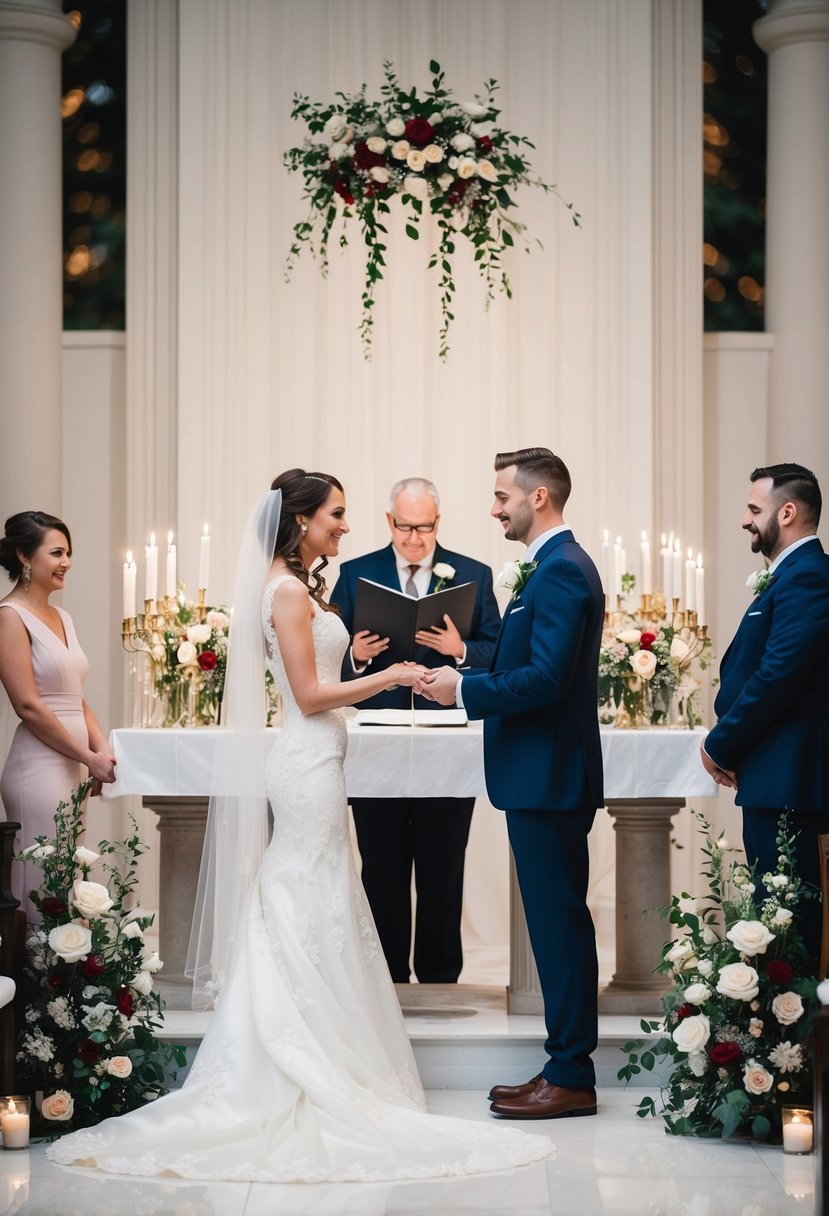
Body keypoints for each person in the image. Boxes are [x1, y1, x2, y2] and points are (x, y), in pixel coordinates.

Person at [47, 469, 551, 1180]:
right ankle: (288, 1050)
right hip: (307, 758)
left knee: (316, 892)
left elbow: (315, 673)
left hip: (320, 759)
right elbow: (310, 696)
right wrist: (391, 675)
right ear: (301, 520)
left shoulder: (301, 588)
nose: (345, 527)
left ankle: (312, 1037)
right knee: (303, 887)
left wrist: (367, 663)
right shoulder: (285, 591)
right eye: (336, 515)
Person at [419, 448, 604, 1119]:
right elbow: (526, 656)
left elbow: (549, 679)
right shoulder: (550, 569)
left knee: (558, 928)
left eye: (502, 496)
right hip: (538, 775)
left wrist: (464, 690)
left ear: (539, 499)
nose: (494, 507)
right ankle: (560, 1064)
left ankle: (571, 1075)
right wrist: (467, 656)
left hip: (548, 776)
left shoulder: (560, 572)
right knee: (554, 926)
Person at [331, 477, 500, 983]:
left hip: (445, 742)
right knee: (380, 868)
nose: (413, 538)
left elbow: (500, 652)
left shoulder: (473, 573)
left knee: (443, 868)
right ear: (389, 522)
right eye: (404, 527)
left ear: (437, 523)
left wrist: (461, 650)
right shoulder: (356, 574)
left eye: (423, 527)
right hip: (376, 740)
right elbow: (322, 661)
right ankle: (384, 982)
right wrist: (354, 657)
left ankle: (440, 977)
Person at [701, 463, 829, 968]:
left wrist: (720, 743)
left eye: (755, 509)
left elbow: (778, 677)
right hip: (773, 775)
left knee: (789, 929)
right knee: (772, 919)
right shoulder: (790, 577)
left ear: (789, 512)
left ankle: (797, 1044)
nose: (746, 521)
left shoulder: (809, 578)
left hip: (791, 781)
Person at [0, 511, 116, 917]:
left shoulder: (63, 616)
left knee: (68, 873)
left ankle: (62, 973)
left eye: (69, 552)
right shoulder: (10, 617)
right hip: (39, 764)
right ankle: (32, 973)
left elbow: (74, 696)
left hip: (75, 766)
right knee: (40, 875)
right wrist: (87, 757)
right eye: (57, 552)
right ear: (24, 556)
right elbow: (29, 705)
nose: (67, 561)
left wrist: (100, 749)